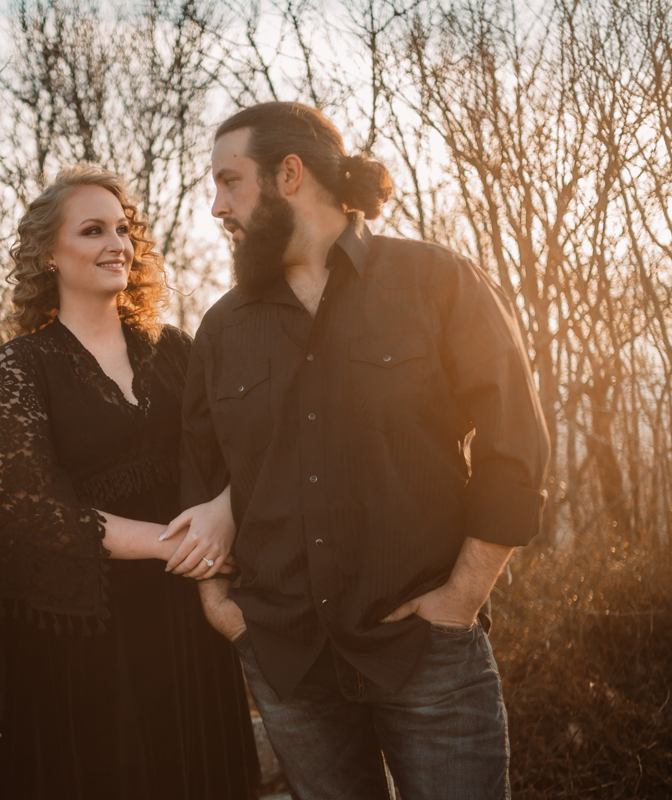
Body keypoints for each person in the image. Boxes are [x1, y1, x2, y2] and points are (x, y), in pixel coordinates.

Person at [183, 102, 551, 800]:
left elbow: (516, 443)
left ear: (290, 174)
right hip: (287, 661)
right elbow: (200, 476)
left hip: (426, 650)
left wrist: (463, 594)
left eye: (230, 182)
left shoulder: (437, 281)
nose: (216, 206)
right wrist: (221, 607)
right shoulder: (222, 328)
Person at [0, 165, 260, 800]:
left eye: (123, 229)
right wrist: (169, 543)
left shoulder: (176, 348)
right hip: (85, 637)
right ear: (48, 254)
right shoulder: (23, 368)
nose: (116, 244)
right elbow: (33, 509)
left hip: (188, 621)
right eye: (92, 230)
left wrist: (224, 514)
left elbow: (244, 451)